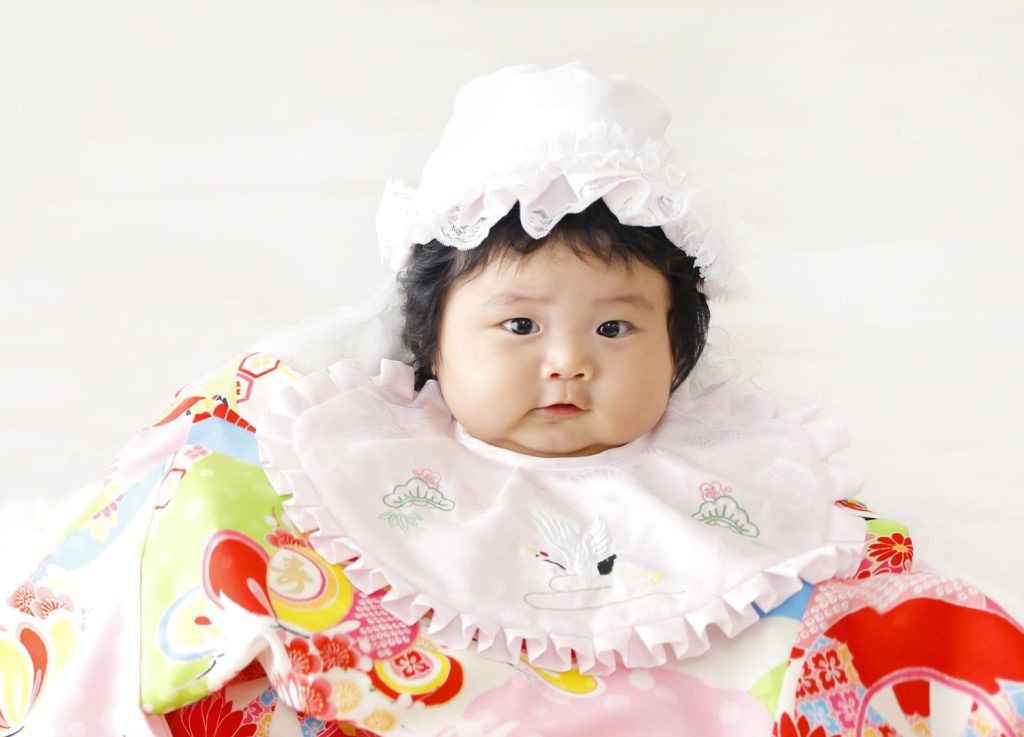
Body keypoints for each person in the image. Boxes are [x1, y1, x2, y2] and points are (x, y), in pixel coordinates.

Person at [3, 64, 1023, 737]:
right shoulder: (349, 460)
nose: (567, 363)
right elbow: (195, 530)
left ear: (679, 350)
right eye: (520, 325)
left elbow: (892, 601)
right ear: (430, 341)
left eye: (615, 329)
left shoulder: (744, 481)